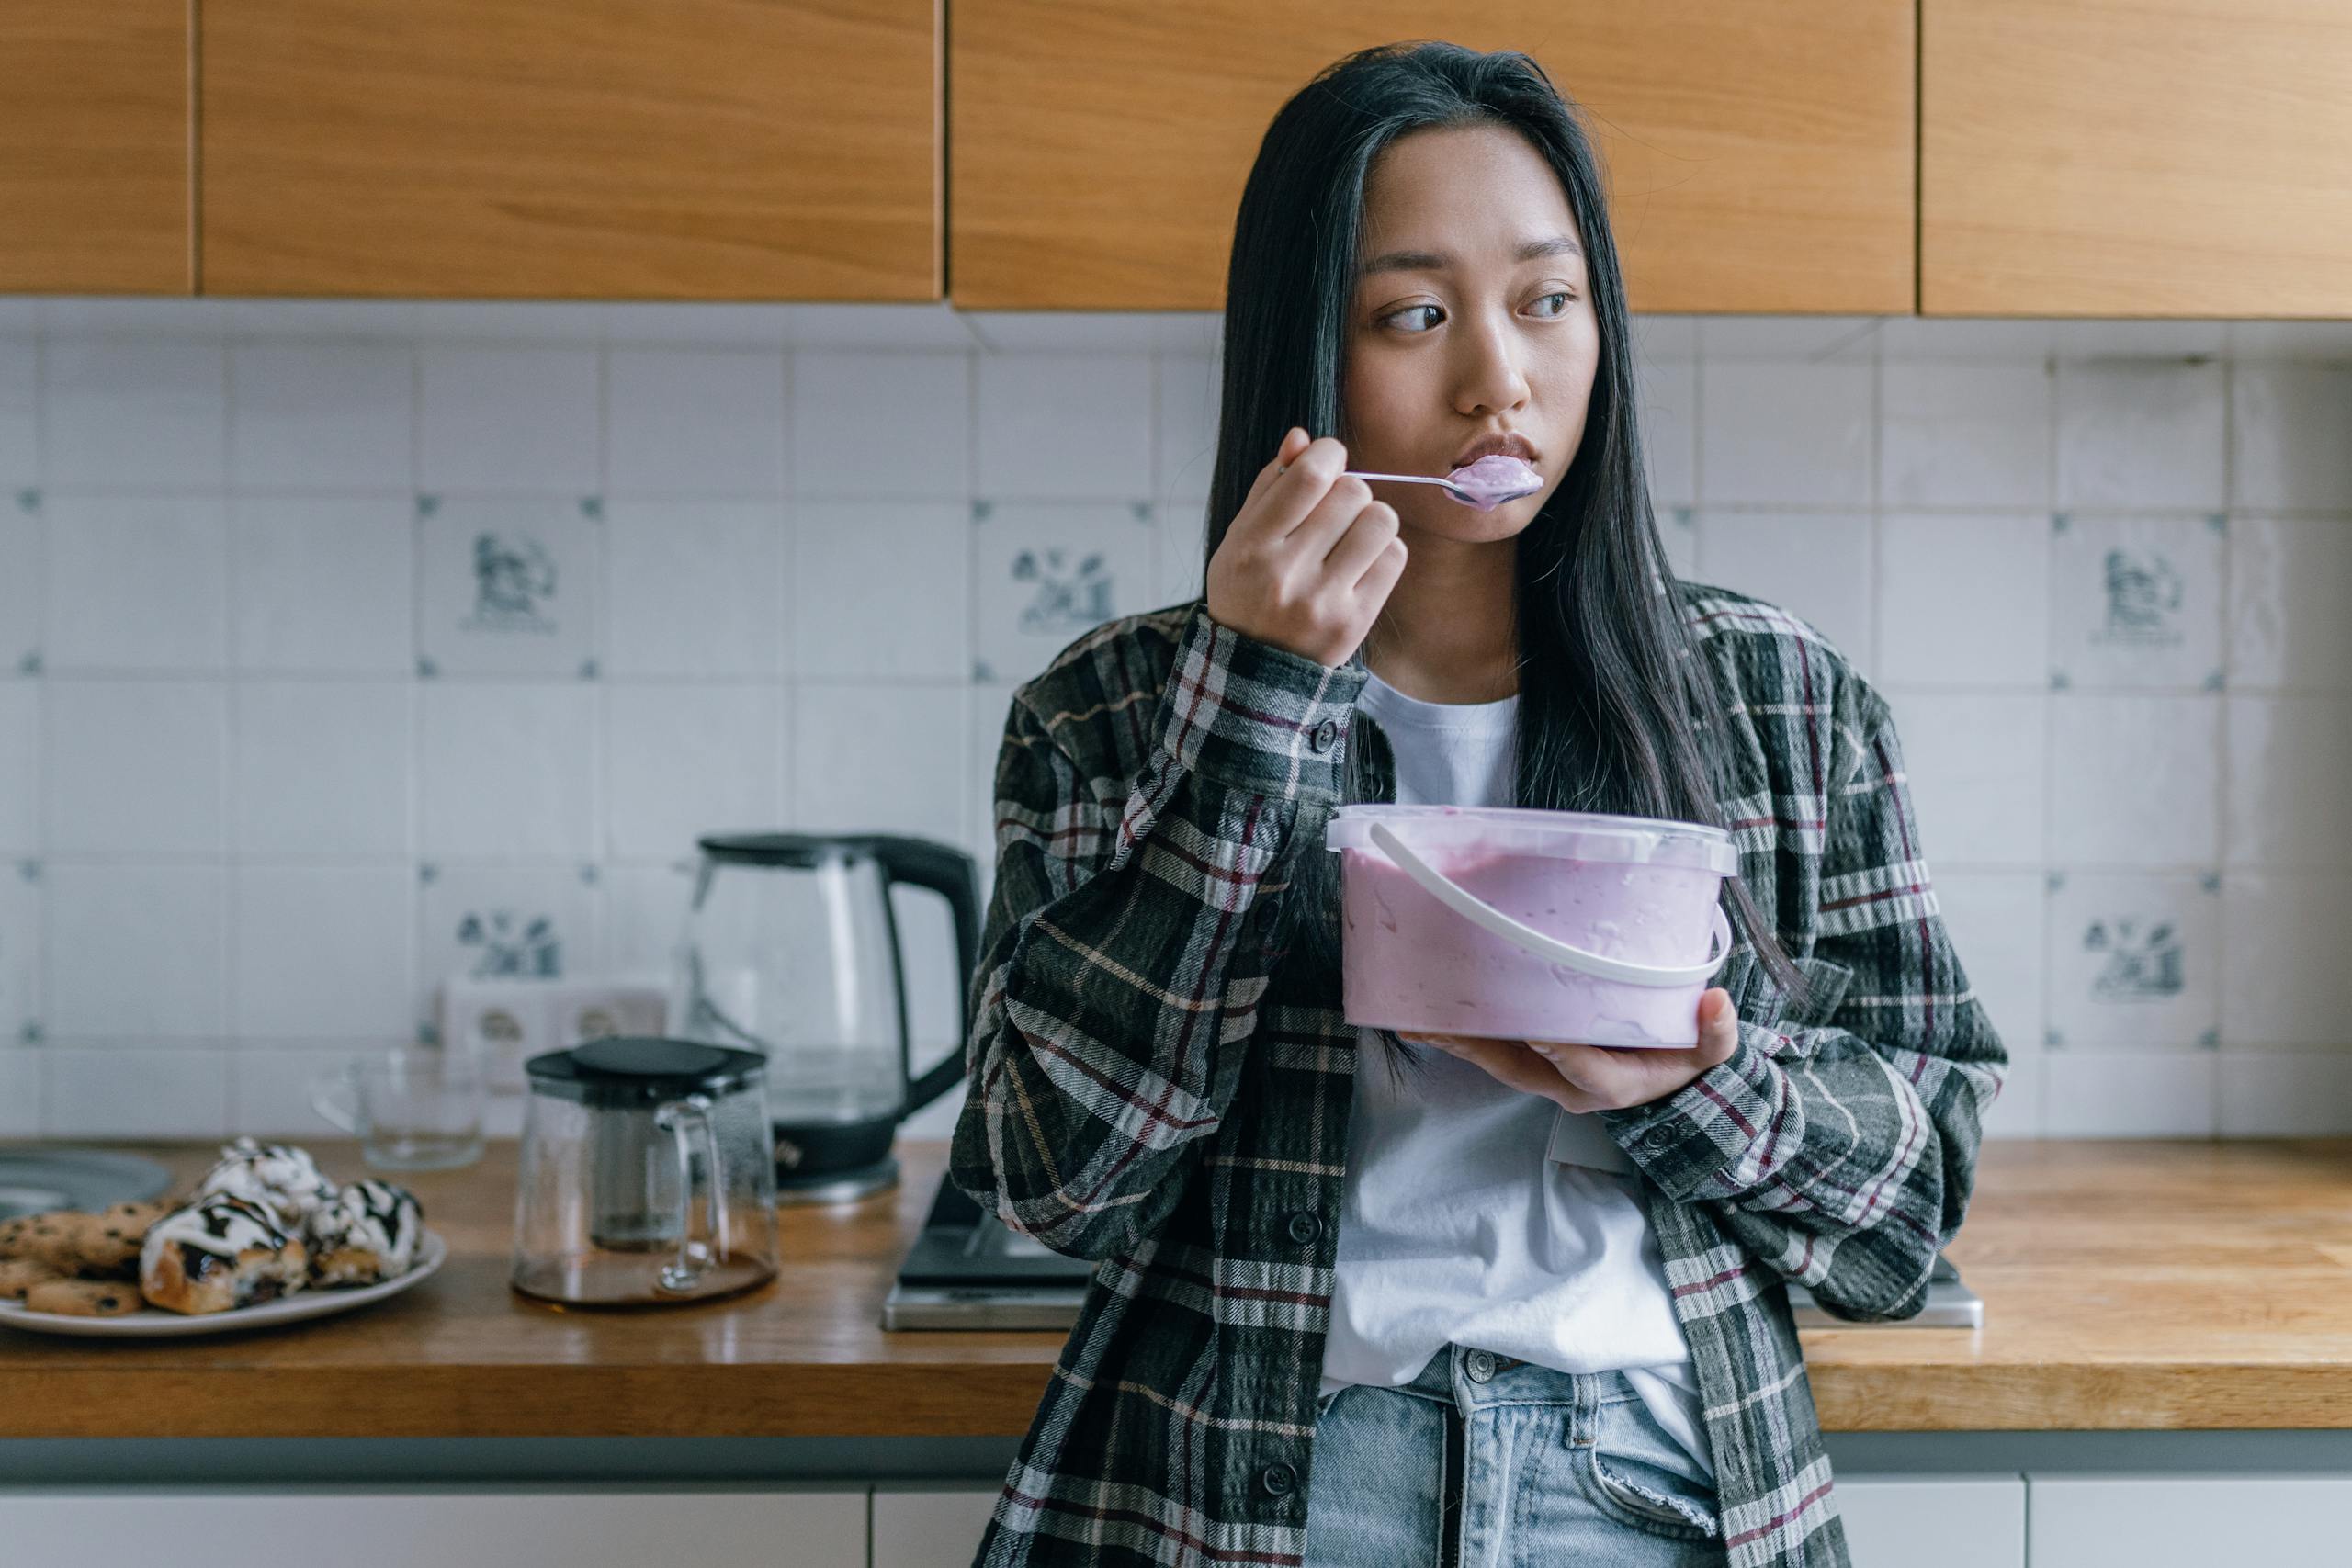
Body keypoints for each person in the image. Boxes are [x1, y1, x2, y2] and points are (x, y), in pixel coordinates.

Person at [949, 39, 2006, 1568]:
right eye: (1415, 314)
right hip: (1265, 1481)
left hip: (1657, 1480)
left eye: (1546, 300)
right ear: (1308, 350)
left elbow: (1917, 1205)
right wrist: (1255, 708)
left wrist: (1685, 1082)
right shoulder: (1109, 713)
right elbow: (1055, 1183)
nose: (1497, 380)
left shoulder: (1784, 700)